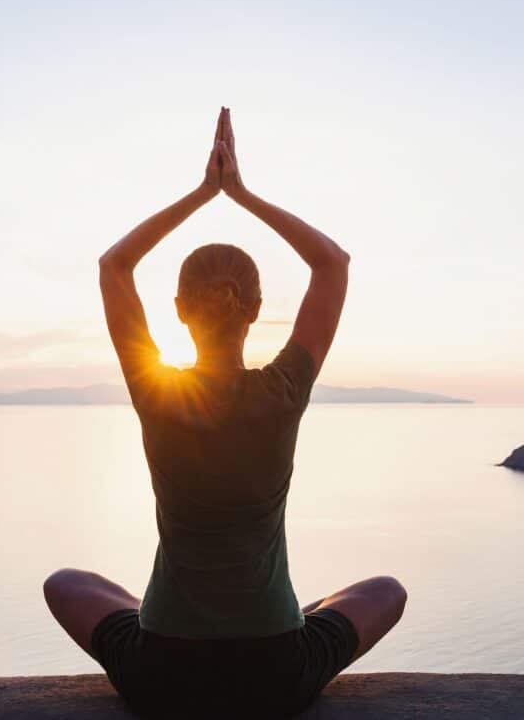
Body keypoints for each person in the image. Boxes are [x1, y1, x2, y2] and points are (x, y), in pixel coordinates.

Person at [44, 108, 407, 718]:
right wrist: (240, 193)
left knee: (66, 583)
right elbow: (333, 265)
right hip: (276, 671)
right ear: (257, 307)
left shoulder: (157, 393)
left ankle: (178, 616)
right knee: (385, 592)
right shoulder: (283, 390)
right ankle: (276, 615)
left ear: (180, 309)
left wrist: (202, 194)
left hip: (164, 670)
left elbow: (114, 267)